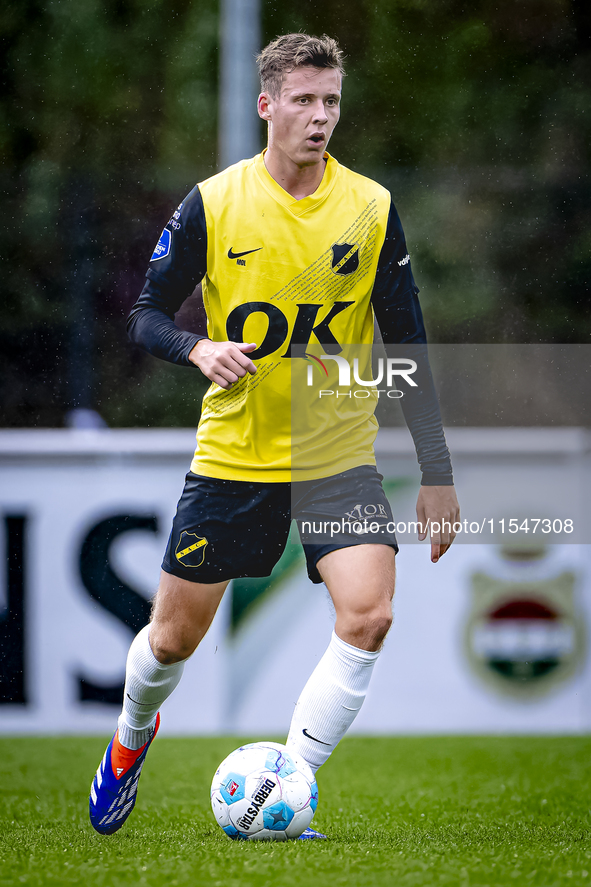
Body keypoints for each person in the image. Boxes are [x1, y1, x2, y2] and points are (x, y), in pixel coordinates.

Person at [89, 32, 459, 839]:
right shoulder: (214, 202)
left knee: (368, 615)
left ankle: (284, 781)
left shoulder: (370, 208)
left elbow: (408, 341)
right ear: (267, 106)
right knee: (170, 640)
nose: (319, 116)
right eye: (302, 100)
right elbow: (145, 315)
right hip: (236, 457)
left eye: (330, 101)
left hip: (338, 459)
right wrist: (197, 346)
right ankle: (126, 743)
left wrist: (436, 469)